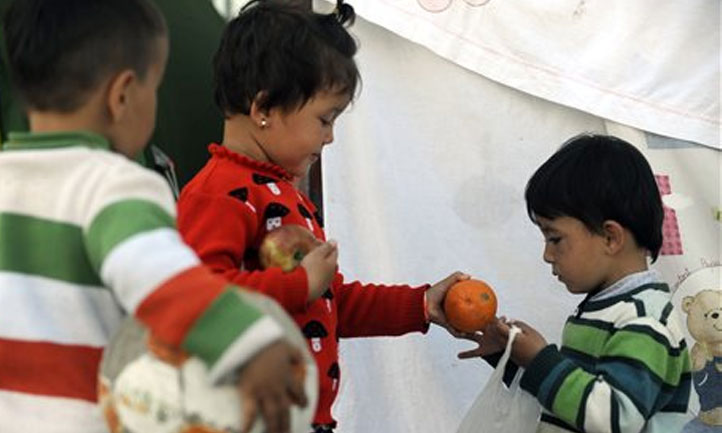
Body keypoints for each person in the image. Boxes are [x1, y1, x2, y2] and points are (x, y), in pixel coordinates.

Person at [0, 1, 307, 432]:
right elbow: (162, 281)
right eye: (153, 89)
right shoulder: (115, 187)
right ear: (122, 96)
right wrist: (250, 343)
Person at [176, 1, 468, 431]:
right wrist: (298, 284)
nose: (330, 137)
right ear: (263, 109)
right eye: (325, 119)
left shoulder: (280, 192)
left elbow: (328, 302)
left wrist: (420, 304)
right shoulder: (218, 194)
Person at [459, 134, 692, 432]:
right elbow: (573, 402)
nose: (546, 255)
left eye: (554, 238)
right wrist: (511, 356)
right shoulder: (605, 308)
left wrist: (541, 360)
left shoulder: (644, 321)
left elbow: (612, 418)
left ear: (610, 237)